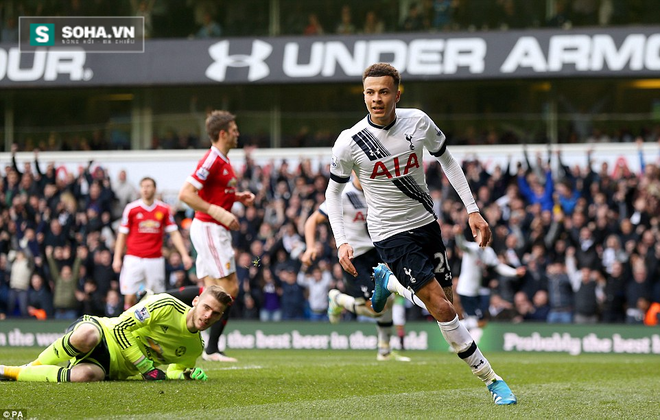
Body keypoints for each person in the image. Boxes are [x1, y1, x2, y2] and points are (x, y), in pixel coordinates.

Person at [325, 63, 517, 405]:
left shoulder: (417, 121)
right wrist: (342, 240)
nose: (376, 99)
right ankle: (492, 380)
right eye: (370, 92)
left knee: (446, 303)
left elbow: (448, 161)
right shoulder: (350, 141)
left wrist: (473, 209)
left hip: (427, 224)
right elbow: (333, 194)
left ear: (397, 94)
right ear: (363, 95)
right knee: (442, 308)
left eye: (384, 92)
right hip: (389, 232)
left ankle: (391, 284)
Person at [0, 285, 232, 382]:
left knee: (83, 377)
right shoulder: (164, 305)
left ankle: (10, 373)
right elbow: (121, 327)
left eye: (215, 314)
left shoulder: (195, 347)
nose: (208, 316)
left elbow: (173, 370)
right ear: (195, 301)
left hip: (114, 368)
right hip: (105, 332)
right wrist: (145, 368)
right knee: (86, 336)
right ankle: (31, 366)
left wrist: (185, 375)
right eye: (206, 307)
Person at [302, 175, 418, 360]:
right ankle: (337, 299)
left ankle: (384, 351)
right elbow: (312, 221)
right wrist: (310, 247)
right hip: (354, 258)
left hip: (377, 252)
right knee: (374, 307)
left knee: (387, 300)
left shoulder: (377, 190)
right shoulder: (343, 194)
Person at [177, 110, 255, 362]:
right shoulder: (212, 159)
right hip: (210, 227)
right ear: (223, 134)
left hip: (212, 228)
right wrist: (219, 213)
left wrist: (236, 197)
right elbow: (186, 194)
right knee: (229, 288)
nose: (237, 134)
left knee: (209, 289)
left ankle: (197, 342)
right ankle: (210, 347)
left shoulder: (223, 160)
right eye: (234, 130)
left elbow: (215, 193)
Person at [113, 177, 193, 309]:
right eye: (143, 186)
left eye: (149, 186)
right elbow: (122, 235)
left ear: (154, 189)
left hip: (155, 259)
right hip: (133, 258)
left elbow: (174, 233)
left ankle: (152, 327)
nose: (145, 189)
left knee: (156, 298)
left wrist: (184, 255)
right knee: (129, 295)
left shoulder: (163, 209)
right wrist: (117, 258)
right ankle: (129, 326)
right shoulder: (131, 209)